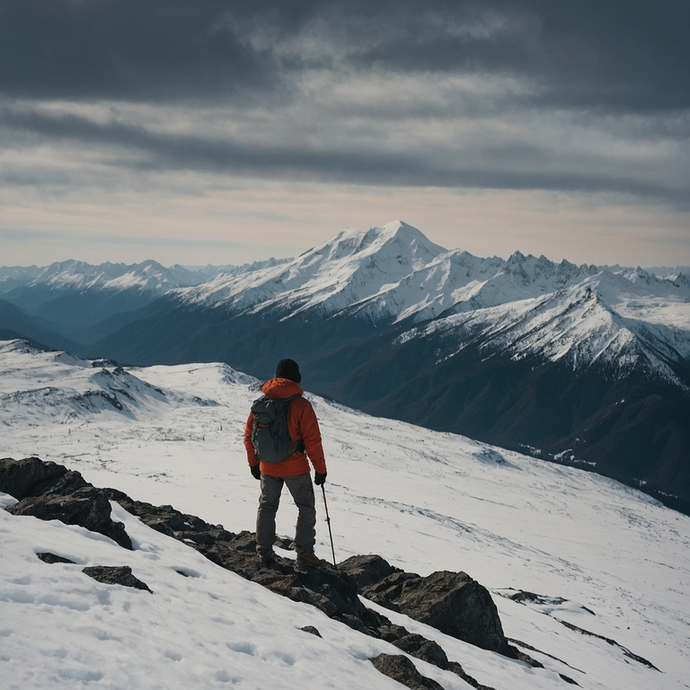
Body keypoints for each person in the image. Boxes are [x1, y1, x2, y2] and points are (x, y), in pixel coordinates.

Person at [244, 358, 329, 567]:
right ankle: (304, 555)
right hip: (295, 468)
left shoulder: (262, 403)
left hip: (267, 467)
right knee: (306, 507)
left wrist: (253, 463)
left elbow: (249, 436)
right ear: (296, 378)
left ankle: (263, 554)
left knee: (267, 507)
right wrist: (320, 470)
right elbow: (313, 441)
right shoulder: (301, 405)